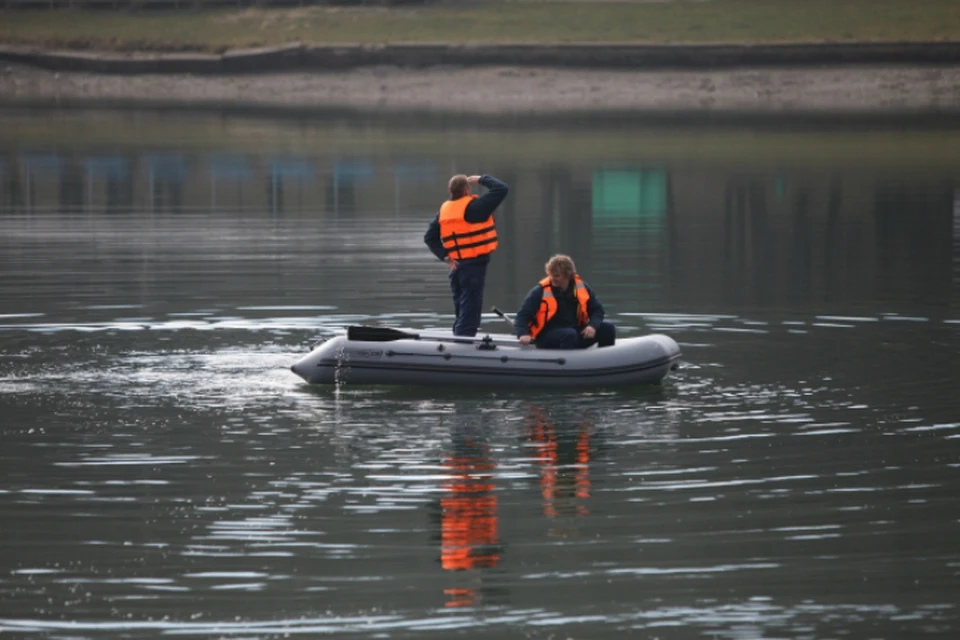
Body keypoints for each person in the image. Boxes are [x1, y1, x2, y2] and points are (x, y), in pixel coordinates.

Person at [424, 173, 509, 336]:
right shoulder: (476, 207)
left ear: (450, 190)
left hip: (456, 267)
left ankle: (459, 338)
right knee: (470, 309)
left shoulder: (444, 212)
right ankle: (463, 345)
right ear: (467, 190)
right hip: (473, 267)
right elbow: (501, 188)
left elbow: (429, 238)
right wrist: (481, 179)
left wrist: (446, 257)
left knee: (461, 309)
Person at [514, 254, 616, 350]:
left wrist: (592, 326)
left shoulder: (582, 288)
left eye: (557, 275)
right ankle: (567, 366)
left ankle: (605, 362)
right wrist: (523, 334)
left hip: (574, 331)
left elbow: (597, 310)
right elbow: (523, 315)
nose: (553, 278)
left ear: (568, 275)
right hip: (547, 335)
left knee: (608, 328)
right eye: (551, 275)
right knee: (569, 335)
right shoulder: (539, 291)